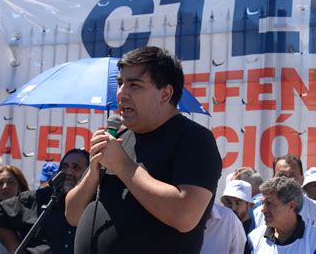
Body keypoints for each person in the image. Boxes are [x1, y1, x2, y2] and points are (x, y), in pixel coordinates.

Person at [66, 46, 222, 253]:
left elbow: (185, 215)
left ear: (165, 93)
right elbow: (73, 215)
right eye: (120, 83)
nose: (122, 93)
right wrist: (93, 173)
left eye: (135, 85)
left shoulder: (193, 138)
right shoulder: (118, 138)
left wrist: (122, 166)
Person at [0, 148, 89, 253]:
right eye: (65, 166)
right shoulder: (40, 197)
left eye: (76, 167)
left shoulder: (97, 202)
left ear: (89, 173)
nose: (69, 172)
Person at [253, 154, 316, 254]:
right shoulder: (258, 214)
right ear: (273, 178)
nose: (286, 180)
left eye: (292, 175)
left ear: (302, 178)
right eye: (281, 175)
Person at [248, 176, 316, 253]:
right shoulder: (254, 239)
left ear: (291, 206)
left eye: (269, 203)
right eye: (262, 203)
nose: (262, 209)